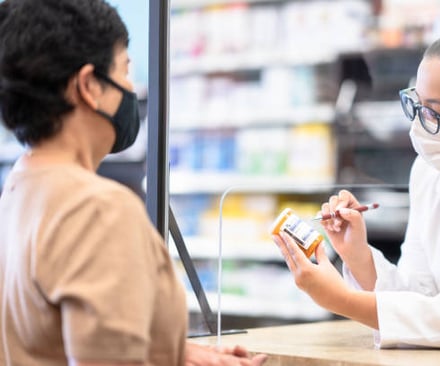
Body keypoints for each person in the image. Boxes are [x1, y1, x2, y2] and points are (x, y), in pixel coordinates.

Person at [0, 0, 267, 365]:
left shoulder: (20, 188)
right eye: (126, 69)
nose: (131, 86)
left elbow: (50, 338)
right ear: (89, 85)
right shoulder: (97, 209)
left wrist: (177, 354)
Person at [272, 25, 440, 349]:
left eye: (435, 112)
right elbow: (422, 298)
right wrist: (357, 254)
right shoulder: (434, 173)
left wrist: (342, 301)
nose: (418, 125)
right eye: (415, 105)